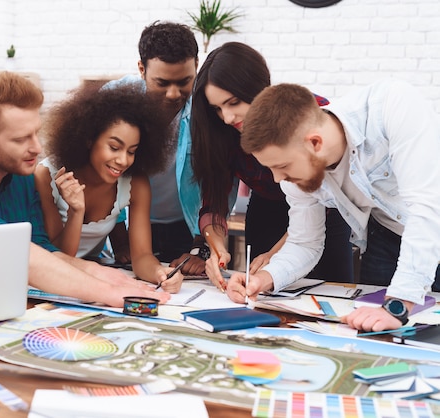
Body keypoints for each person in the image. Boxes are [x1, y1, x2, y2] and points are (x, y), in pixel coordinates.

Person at [226, 79, 440, 332]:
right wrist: (265, 279)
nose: (277, 179)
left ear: (315, 143)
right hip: (387, 234)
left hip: (428, 222)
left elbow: (425, 210)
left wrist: (400, 304)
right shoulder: (295, 170)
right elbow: (304, 243)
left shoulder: (393, 106)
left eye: (282, 166)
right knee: (374, 333)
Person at [0, 71, 169, 307]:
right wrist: (107, 291)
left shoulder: (22, 175)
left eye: (36, 133)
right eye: (21, 139)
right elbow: (15, 252)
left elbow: (43, 248)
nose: (37, 148)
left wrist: (102, 274)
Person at [190, 42, 353, 285]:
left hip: (326, 211)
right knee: (263, 289)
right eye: (217, 108)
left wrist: (276, 256)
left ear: (257, 87)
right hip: (266, 209)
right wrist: (217, 250)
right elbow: (213, 200)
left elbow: (309, 230)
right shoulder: (219, 132)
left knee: (333, 291)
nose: (227, 117)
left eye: (234, 103)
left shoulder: (309, 114)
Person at [36, 86, 183, 292]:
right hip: (52, 281)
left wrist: (160, 273)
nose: (123, 161)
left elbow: (141, 257)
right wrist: (76, 211)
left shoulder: (135, 183)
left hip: (96, 276)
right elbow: (59, 258)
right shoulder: (46, 176)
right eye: (114, 147)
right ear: (89, 139)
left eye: (132, 151)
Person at [105, 21, 206, 275]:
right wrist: (119, 238)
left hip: (188, 228)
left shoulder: (208, 109)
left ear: (196, 66)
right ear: (142, 69)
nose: (173, 94)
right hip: (125, 225)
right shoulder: (114, 100)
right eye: (162, 82)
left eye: (185, 81)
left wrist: (201, 247)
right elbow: (101, 175)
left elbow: (220, 182)